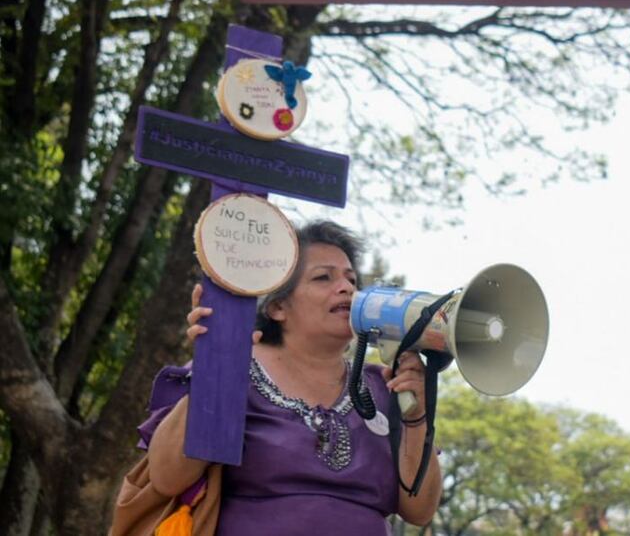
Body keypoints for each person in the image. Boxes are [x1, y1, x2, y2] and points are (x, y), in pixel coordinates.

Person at [144, 220, 441, 533]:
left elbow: (419, 510)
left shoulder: (385, 384)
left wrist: (417, 416)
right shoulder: (234, 364)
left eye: (351, 279)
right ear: (277, 307)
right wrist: (217, 367)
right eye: (323, 277)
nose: (347, 288)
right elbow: (167, 478)